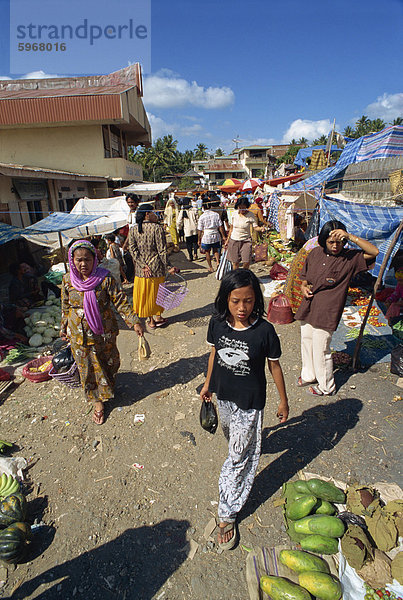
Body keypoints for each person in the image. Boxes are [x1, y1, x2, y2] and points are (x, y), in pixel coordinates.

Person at [200, 269, 289, 550]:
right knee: (235, 444)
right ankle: (246, 449)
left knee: (236, 457)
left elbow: (274, 365)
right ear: (225, 299)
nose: (242, 308)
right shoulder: (217, 324)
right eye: (235, 300)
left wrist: (283, 400)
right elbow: (214, 353)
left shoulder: (264, 331)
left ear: (256, 301)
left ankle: (227, 512)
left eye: (248, 301)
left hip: (250, 403)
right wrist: (207, 385)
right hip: (224, 398)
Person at [60, 240, 143, 425]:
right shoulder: (67, 281)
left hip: (103, 331)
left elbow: (120, 301)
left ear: (94, 259)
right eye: (79, 260)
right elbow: (65, 306)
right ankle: (97, 401)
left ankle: (108, 386)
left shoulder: (105, 279)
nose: (83, 264)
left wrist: (134, 322)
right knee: (87, 368)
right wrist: (63, 326)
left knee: (110, 361)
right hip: (78, 334)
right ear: (72, 260)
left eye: (87, 260)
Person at [295, 220, 379, 396]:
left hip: (328, 308)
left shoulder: (350, 258)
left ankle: (327, 386)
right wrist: (304, 287)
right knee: (307, 340)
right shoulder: (315, 253)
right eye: (331, 242)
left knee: (321, 347)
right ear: (324, 240)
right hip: (309, 304)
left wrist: (350, 236)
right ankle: (309, 374)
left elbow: (374, 252)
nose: (335, 246)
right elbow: (305, 278)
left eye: (339, 242)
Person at [129, 204, 176, 329]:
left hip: (140, 270)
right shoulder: (157, 228)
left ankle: (150, 320)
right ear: (147, 214)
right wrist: (169, 266)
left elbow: (133, 250)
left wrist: (143, 265)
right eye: (153, 212)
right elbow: (162, 251)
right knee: (157, 294)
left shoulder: (133, 229)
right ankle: (158, 317)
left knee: (146, 295)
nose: (156, 215)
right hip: (156, 268)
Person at [225, 198, 266, 270]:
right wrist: (227, 240)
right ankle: (237, 277)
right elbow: (231, 228)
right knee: (235, 262)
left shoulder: (250, 215)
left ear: (246, 206)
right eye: (240, 208)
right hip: (234, 240)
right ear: (237, 207)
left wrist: (261, 228)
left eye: (243, 207)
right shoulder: (234, 214)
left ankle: (244, 275)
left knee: (246, 261)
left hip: (246, 241)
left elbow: (255, 227)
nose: (242, 210)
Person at [197, 201, 226, 273]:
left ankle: (210, 267)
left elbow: (200, 229)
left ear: (203, 207)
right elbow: (220, 226)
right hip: (215, 234)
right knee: (215, 250)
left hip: (207, 235)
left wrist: (199, 239)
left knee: (207, 252)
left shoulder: (202, 216)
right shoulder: (216, 214)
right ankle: (217, 262)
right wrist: (223, 236)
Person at [122, 194, 140, 282]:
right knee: (134, 259)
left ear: (136, 203)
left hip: (139, 238)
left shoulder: (139, 213)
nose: (130, 204)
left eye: (132, 202)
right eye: (128, 202)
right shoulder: (129, 213)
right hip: (132, 239)